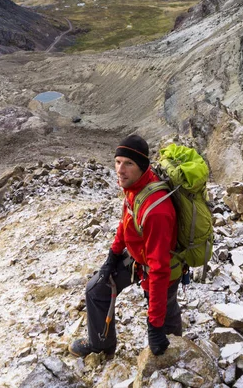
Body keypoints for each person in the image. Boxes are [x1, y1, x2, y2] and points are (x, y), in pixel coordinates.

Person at [69, 134, 182, 359]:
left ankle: (176, 352)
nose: (120, 169)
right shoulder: (135, 187)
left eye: (128, 163)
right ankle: (101, 343)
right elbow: (127, 220)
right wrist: (112, 256)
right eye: (118, 161)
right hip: (139, 257)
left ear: (142, 167)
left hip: (164, 269)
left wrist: (154, 327)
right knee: (96, 290)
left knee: (166, 336)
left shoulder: (156, 210)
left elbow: (159, 270)